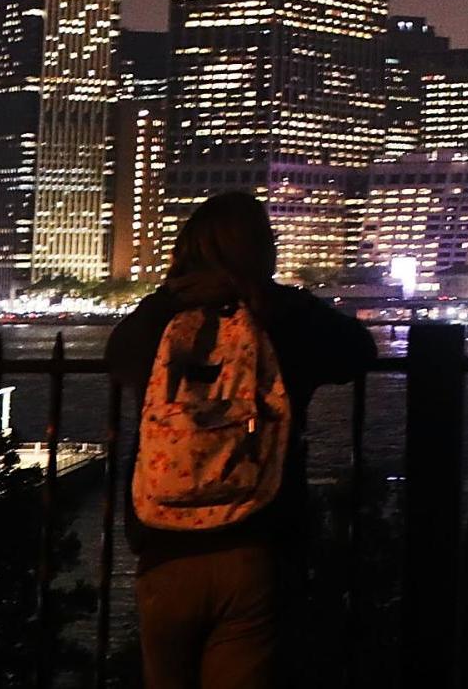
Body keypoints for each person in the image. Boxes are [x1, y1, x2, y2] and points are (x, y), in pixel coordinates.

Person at [107, 192, 377, 688]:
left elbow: (117, 358)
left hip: (165, 551)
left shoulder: (160, 321)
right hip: (256, 542)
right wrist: (276, 297)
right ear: (261, 250)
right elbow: (359, 350)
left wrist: (172, 296)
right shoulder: (282, 320)